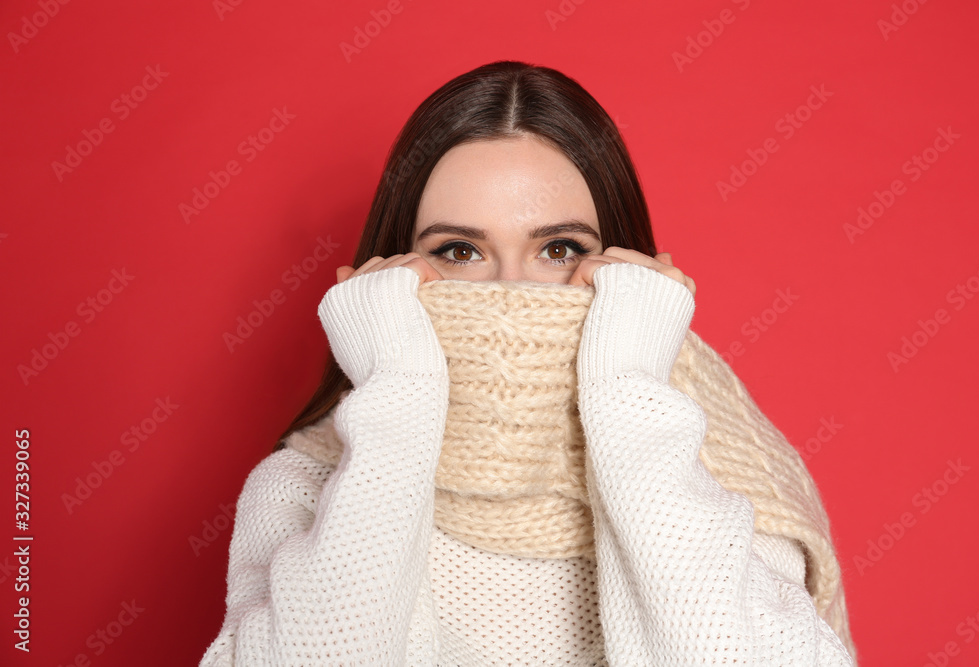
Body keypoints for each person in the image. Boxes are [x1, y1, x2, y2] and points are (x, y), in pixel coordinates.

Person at [199, 60, 857, 665]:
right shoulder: (304, 488)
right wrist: (394, 401)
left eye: (560, 249)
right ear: (378, 283)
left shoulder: (726, 486)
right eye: (459, 251)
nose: (511, 289)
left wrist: (628, 391)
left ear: (634, 274)